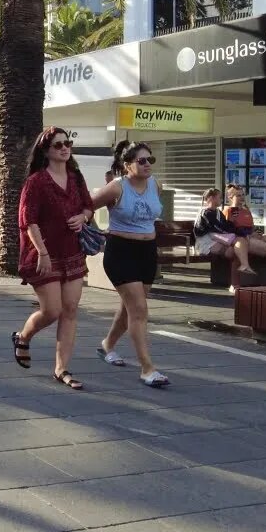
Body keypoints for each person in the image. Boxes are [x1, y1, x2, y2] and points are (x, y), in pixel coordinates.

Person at [11, 128, 94, 390]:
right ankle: (23, 337)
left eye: (67, 143)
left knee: (70, 310)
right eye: (57, 145)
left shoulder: (76, 177)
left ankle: (61, 369)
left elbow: (88, 207)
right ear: (46, 150)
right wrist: (43, 253)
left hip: (72, 252)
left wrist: (84, 217)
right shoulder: (36, 181)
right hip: (43, 254)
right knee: (52, 310)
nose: (64, 148)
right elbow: (28, 220)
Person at [92, 141, 170, 387]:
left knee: (130, 308)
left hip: (147, 251)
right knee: (139, 310)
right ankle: (147, 369)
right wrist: (86, 227)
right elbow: (86, 205)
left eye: (150, 160)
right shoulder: (116, 188)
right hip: (121, 251)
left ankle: (107, 345)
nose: (148, 165)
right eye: (142, 160)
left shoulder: (154, 184)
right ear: (127, 166)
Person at [223, 184, 266, 275]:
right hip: (244, 239)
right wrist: (248, 234)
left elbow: (252, 227)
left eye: (243, 195)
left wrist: (257, 233)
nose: (242, 197)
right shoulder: (230, 210)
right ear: (230, 197)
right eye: (238, 195)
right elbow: (229, 230)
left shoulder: (246, 210)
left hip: (252, 235)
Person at [194, 188, 250, 269]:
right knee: (233, 250)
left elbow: (226, 225)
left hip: (216, 240)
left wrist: (240, 230)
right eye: (219, 197)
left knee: (239, 248)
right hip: (205, 244)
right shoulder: (205, 213)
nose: (222, 200)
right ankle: (235, 273)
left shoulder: (218, 212)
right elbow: (218, 228)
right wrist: (237, 233)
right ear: (211, 198)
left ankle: (239, 272)